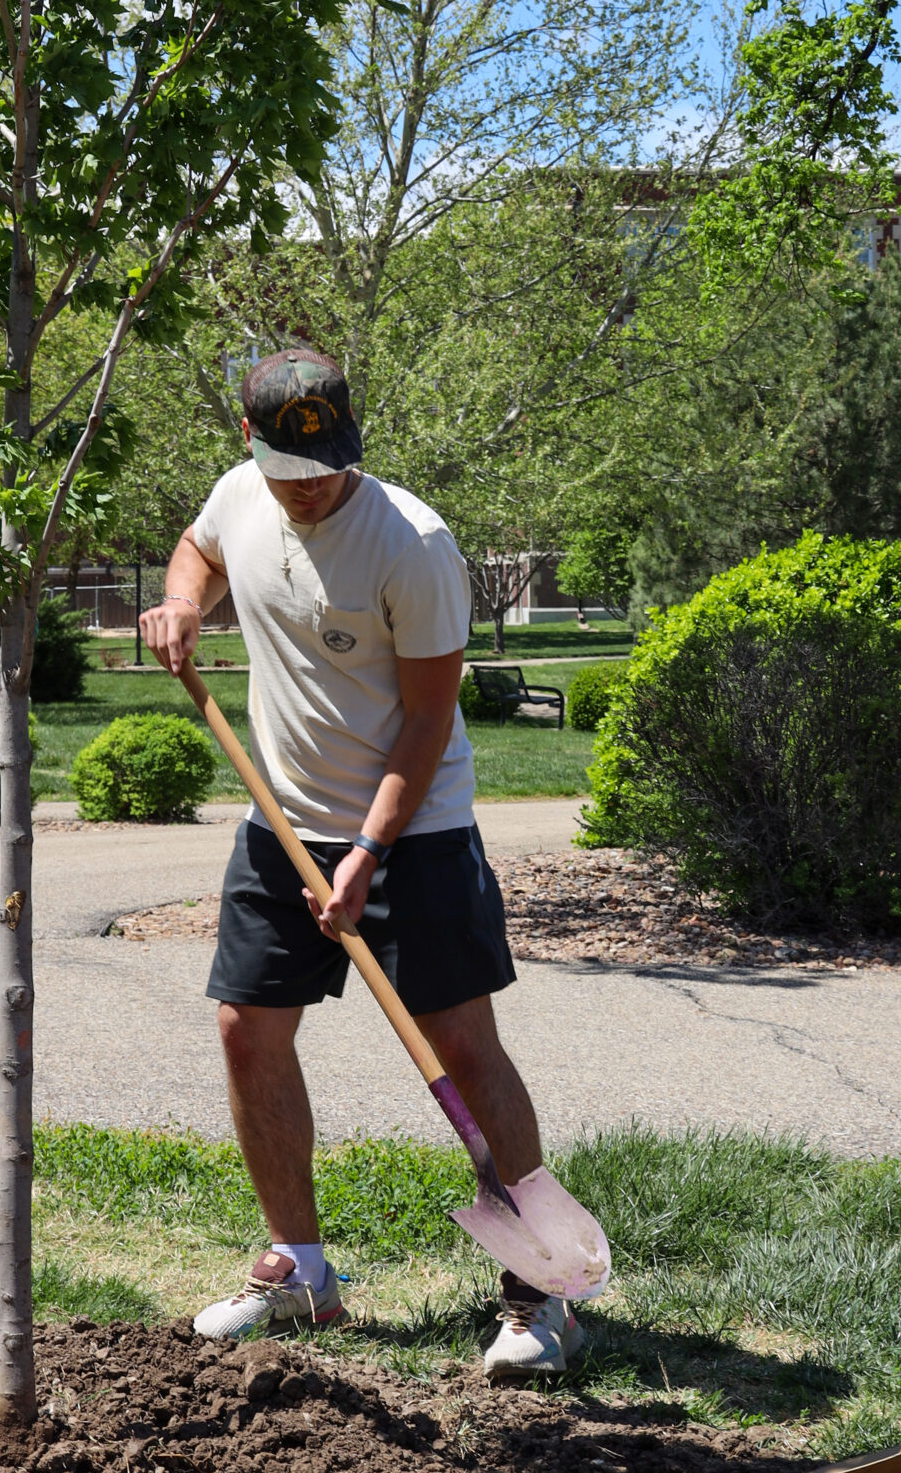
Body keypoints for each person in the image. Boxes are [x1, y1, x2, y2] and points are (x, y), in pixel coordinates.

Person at [139, 347, 584, 1381]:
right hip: (280, 815)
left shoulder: (413, 545)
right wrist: (175, 606)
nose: (312, 489)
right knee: (245, 1027)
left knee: (462, 1050)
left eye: (329, 466)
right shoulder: (238, 494)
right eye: (291, 473)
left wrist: (367, 855)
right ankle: (299, 1268)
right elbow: (197, 552)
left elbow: (429, 720)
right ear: (250, 449)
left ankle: (542, 1293)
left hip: (413, 829)